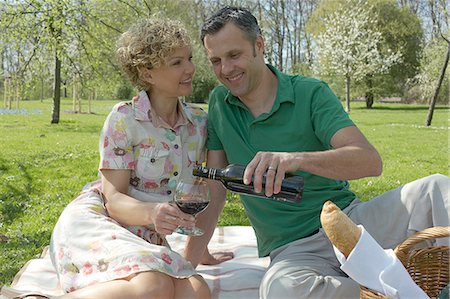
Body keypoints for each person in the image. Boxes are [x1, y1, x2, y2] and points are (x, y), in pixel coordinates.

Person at [184, 6, 450, 299]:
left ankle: (389, 279)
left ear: (259, 45)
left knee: (436, 188)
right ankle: (398, 288)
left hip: (351, 223)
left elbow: (369, 161)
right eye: (216, 61)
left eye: (234, 56)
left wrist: (295, 159)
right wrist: (186, 265)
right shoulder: (220, 103)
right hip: (294, 250)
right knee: (281, 291)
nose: (225, 70)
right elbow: (216, 190)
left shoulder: (310, 93)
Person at [47, 17, 230, 299]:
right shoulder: (124, 119)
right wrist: (153, 213)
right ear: (147, 72)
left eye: (189, 58)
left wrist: (200, 251)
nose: (191, 68)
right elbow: (114, 200)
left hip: (146, 236)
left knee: (197, 292)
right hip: (100, 222)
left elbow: (203, 191)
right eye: (176, 62)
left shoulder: (199, 123)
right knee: (152, 286)